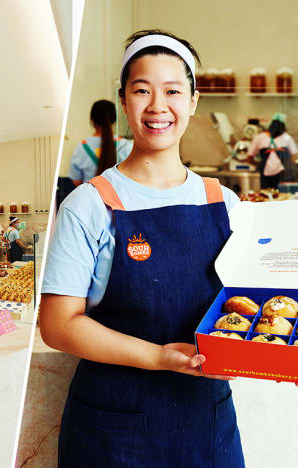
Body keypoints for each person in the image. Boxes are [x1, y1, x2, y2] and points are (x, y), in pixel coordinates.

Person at [39, 30, 245, 467]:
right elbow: (57, 325)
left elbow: (246, 309)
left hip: (205, 422)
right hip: (111, 428)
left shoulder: (224, 203)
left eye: (173, 91)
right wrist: (157, 356)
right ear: (123, 99)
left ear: (193, 101)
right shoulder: (90, 204)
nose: (158, 106)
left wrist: (288, 358)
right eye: (142, 90)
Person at [69, 99, 133, 185]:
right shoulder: (127, 146)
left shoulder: (81, 147)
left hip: (90, 193)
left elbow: (76, 181)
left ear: (92, 120)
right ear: (114, 120)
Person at [249, 114, 298, 189]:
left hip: (282, 174)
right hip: (271, 175)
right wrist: (260, 165)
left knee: (274, 193)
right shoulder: (286, 137)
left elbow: (249, 157)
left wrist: (260, 164)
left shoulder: (286, 137)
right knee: (269, 193)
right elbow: (294, 155)